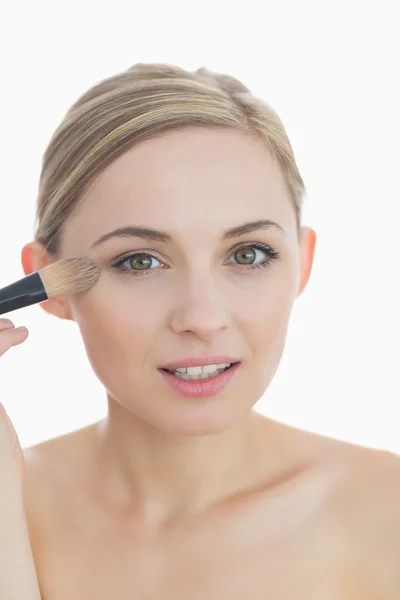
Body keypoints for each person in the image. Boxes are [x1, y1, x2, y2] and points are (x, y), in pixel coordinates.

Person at [1, 62, 399, 598]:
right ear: (52, 287)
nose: (203, 318)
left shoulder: (384, 514)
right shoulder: (12, 499)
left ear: (302, 264)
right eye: (140, 262)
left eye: (249, 253)